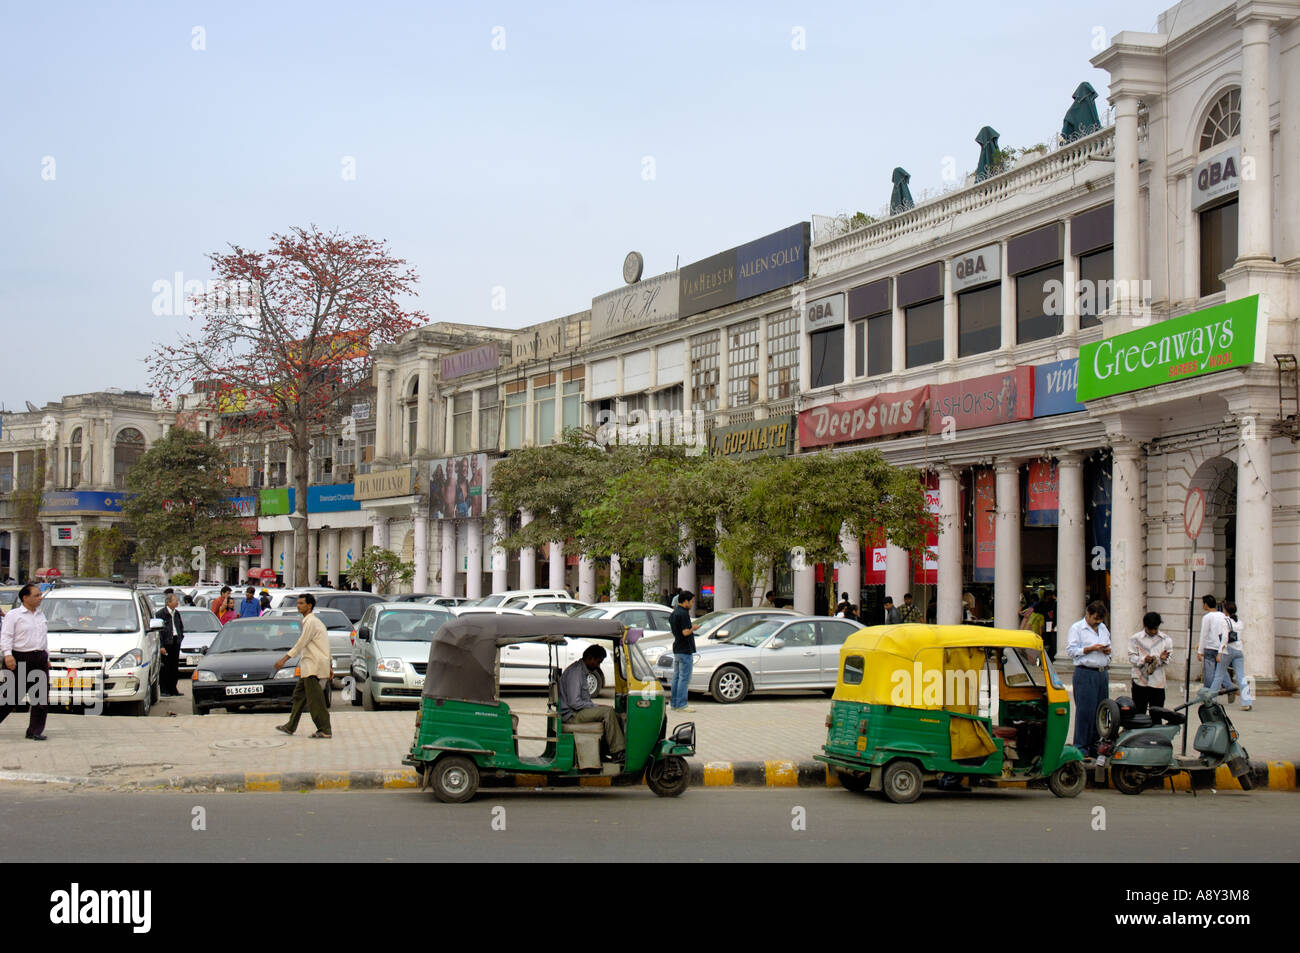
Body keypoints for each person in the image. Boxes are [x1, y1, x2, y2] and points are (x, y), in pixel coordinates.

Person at [274, 593, 332, 738]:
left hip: (314, 666)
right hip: (309, 665)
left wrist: (284, 659)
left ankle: (324, 729)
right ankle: (290, 726)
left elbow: (301, 643)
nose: (298, 606)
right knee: (299, 695)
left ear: (309, 605)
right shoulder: (310, 621)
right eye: (298, 603)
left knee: (315, 701)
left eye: (301, 603)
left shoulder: (311, 622)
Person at [0, 584, 51, 740]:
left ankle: (35, 731)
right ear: (25, 598)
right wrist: (7, 655)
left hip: (39, 658)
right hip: (19, 658)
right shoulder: (14, 615)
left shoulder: (40, 615)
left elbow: (43, 638)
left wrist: (46, 657)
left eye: (40, 595)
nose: (40, 598)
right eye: (36, 595)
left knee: (41, 698)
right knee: (10, 696)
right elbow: (6, 636)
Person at [557, 645, 625, 760]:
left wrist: (596, 706)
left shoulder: (581, 671)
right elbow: (575, 703)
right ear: (590, 658)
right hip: (572, 715)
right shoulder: (576, 673)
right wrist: (595, 706)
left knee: (615, 715)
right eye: (598, 662)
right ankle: (617, 752)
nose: (598, 666)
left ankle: (604, 752)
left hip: (576, 712)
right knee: (608, 712)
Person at [1066, 600, 1111, 756]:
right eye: (1095, 619)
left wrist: (1106, 651)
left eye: (1100, 620)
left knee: (1100, 710)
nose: (1097, 623)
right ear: (1088, 614)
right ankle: (1081, 747)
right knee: (1085, 711)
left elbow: (1109, 647)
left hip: (1102, 672)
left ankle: (1094, 744)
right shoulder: (1077, 628)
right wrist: (1091, 648)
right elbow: (1071, 650)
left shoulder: (1103, 628)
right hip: (1085, 672)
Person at [1209, 601, 1253, 711]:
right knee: (1241, 676)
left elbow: (1224, 638)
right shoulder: (1240, 622)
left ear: (1226, 610)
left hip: (1227, 650)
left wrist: (1219, 653)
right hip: (1239, 650)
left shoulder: (1226, 621)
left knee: (1219, 675)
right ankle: (1246, 702)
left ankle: (1211, 700)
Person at [1128, 611, 1172, 715]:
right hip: (1140, 680)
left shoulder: (1166, 640)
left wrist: (1162, 659)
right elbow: (1131, 657)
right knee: (1139, 713)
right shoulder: (1135, 639)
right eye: (1150, 629)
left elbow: (1169, 659)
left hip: (1157, 682)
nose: (1153, 631)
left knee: (1157, 714)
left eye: (1155, 629)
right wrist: (1143, 659)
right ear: (1144, 626)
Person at [669, 590, 697, 713]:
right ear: (685, 601)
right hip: (685, 649)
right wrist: (693, 628)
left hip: (677, 648)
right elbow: (685, 632)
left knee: (676, 677)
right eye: (691, 601)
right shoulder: (684, 614)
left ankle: (674, 702)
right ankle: (681, 704)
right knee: (684, 678)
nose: (692, 604)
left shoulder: (674, 613)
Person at [156, 592, 185, 697]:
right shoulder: (160, 614)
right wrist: (161, 646)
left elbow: (180, 627)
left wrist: (181, 637)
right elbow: (158, 632)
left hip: (175, 642)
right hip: (166, 643)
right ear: (168, 602)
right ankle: (164, 690)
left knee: (174, 667)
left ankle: (173, 689)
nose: (177, 602)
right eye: (175, 600)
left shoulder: (176, 613)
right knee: (165, 668)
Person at [1196, 594, 1228, 687]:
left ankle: (1208, 693)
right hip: (1221, 647)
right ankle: (1229, 686)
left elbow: (1204, 634)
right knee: (1222, 670)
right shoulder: (1223, 615)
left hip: (1210, 646)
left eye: (1203, 603)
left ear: (1206, 604)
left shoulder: (1207, 617)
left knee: (1209, 673)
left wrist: (1200, 651)